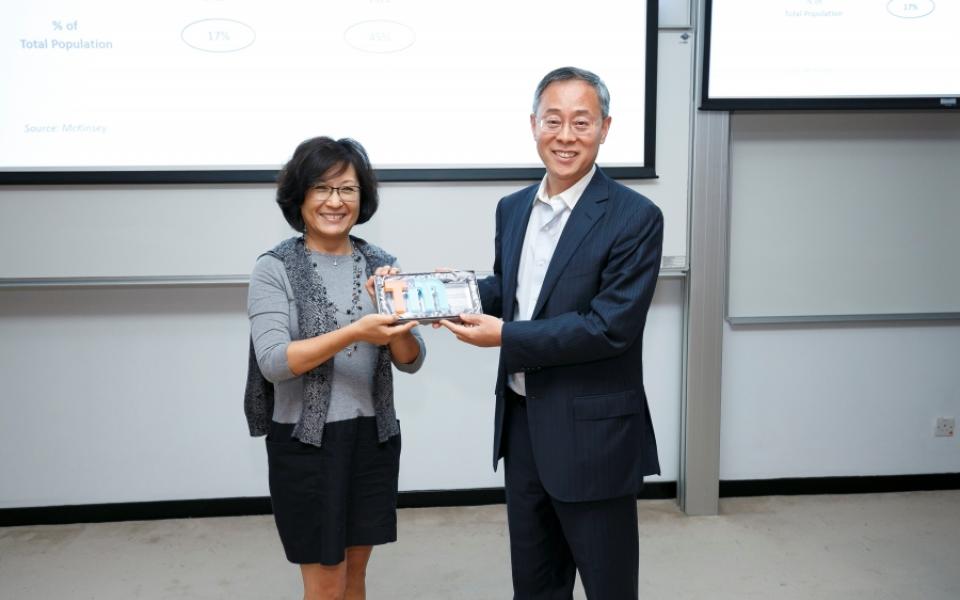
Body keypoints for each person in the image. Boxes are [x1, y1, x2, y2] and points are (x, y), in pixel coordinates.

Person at [439, 67, 663, 599]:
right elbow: (511, 290)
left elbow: (610, 328)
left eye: (581, 122)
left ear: (605, 128)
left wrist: (506, 338)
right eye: (553, 120)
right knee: (535, 587)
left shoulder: (635, 217)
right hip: (522, 429)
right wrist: (434, 293)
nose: (566, 136)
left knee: (609, 588)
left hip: (594, 437)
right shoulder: (513, 207)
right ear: (534, 124)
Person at [243, 136, 425, 600]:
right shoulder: (274, 268)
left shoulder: (383, 264)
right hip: (307, 445)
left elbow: (411, 359)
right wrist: (357, 331)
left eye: (347, 189)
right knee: (325, 583)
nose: (334, 201)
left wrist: (397, 319)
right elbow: (274, 362)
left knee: (356, 577)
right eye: (321, 188)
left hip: (372, 439)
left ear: (362, 199)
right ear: (299, 196)